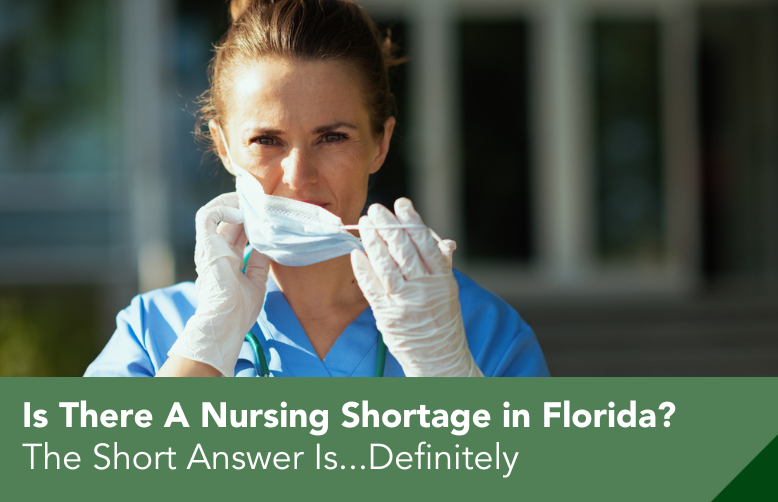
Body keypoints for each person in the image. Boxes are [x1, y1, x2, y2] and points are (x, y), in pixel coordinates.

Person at [84, 0, 549, 377]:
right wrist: (207, 344)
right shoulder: (155, 332)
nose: (299, 175)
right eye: (267, 140)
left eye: (332, 138)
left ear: (380, 143)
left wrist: (450, 380)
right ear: (223, 147)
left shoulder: (478, 333)